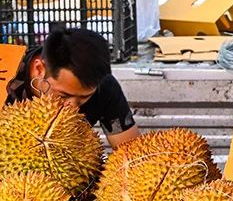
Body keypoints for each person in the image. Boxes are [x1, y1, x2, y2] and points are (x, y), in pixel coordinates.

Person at [8, 27, 140, 148]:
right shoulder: (3, 81)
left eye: (84, 97)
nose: (73, 107)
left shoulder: (104, 87)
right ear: (39, 69)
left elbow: (130, 154)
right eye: (63, 95)